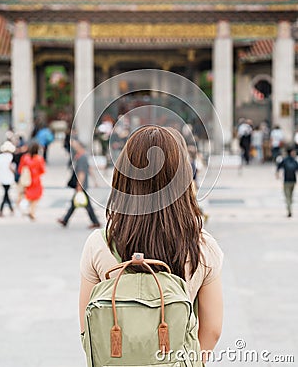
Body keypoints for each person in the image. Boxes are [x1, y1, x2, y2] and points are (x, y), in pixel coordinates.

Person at [79, 126, 223, 361]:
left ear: (123, 176)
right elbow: (212, 330)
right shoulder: (202, 246)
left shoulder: (99, 244)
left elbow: (87, 327)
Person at [57, 139, 101, 228]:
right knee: (76, 203)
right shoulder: (82, 156)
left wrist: (79, 185)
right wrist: (95, 181)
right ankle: (65, 220)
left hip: (82, 185)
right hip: (83, 184)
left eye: (75, 145)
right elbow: (89, 169)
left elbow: (82, 173)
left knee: (85, 204)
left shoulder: (81, 158)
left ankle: (95, 221)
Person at [18, 141, 45, 220]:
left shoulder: (25, 157)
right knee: (36, 197)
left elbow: (20, 169)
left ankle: (29, 210)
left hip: (27, 180)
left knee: (27, 195)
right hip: (36, 180)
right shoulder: (39, 159)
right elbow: (42, 170)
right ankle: (32, 211)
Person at [276, 147, 298, 218]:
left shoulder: (285, 160)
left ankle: (289, 209)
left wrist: (277, 174)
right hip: (292, 180)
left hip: (287, 181)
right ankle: (289, 208)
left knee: (288, 196)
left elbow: (278, 167)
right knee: (289, 196)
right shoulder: (294, 161)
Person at [0, 141, 16, 217]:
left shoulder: (0, 157)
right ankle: (4, 210)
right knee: (6, 193)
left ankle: (9, 209)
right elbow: (13, 168)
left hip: (2, 177)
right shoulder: (11, 157)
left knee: (6, 193)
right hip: (8, 177)